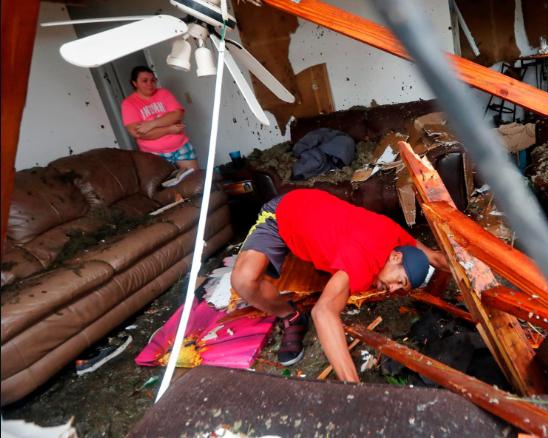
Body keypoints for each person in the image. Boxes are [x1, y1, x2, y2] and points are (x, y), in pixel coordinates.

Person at [231, 189, 449, 382]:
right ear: (395, 257)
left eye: (400, 289)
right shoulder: (362, 264)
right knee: (243, 281)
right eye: (399, 282)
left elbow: (436, 258)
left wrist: (476, 270)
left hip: (313, 207)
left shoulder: (396, 236)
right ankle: (290, 315)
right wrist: (353, 389)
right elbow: (323, 312)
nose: (392, 290)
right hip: (281, 214)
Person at [121, 66, 197, 185]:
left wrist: (152, 124)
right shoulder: (129, 104)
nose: (150, 84)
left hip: (180, 146)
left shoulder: (163, 93)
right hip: (153, 154)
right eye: (144, 81)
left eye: (153, 80)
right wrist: (169, 129)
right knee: (167, 188)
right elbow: (137, 133)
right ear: (134, 83)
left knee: (195, 181)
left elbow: (178, 114)